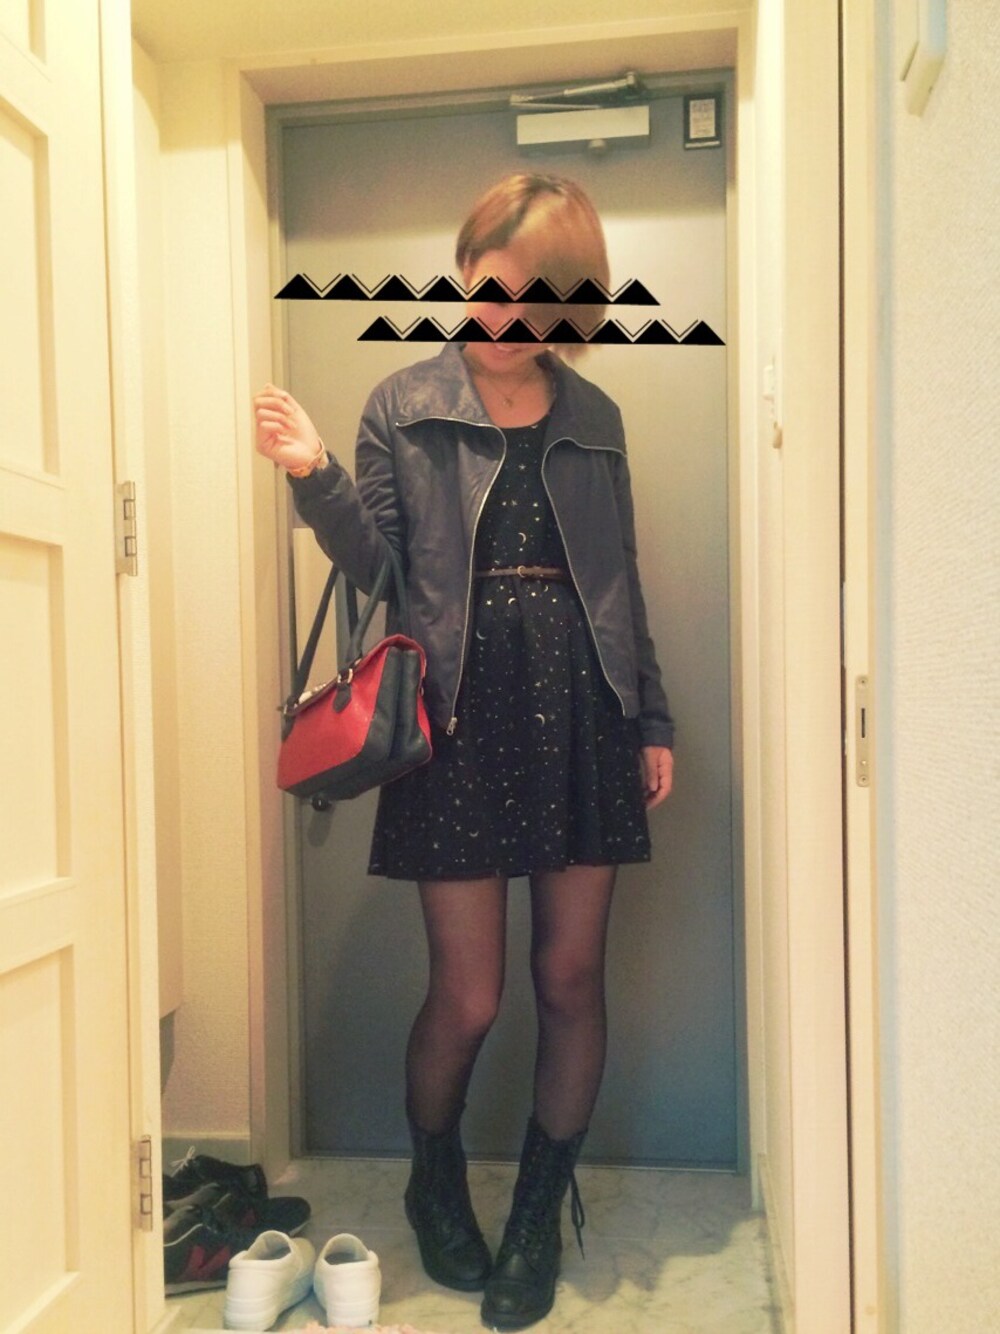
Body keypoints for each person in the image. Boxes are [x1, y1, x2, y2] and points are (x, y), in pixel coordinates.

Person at [254, 172, 674, 1331]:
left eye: (537, 297)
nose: (505, 316)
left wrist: (650, 717)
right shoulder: (403, 402)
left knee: (570, 978)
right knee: (471, 992)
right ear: (464, 273)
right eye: (490, 288)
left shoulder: (596, 418)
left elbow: (620, 581)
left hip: (583, 708)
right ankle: (433, 1174)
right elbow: (379, 568)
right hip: (456, 715)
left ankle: (536, 1213)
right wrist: (312, 475)